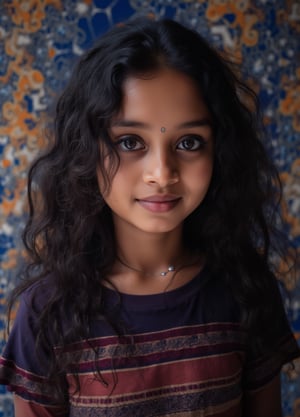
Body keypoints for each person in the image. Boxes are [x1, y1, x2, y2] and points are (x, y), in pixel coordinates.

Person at [0, 17, 299, 417]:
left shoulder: (245, 291)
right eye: (130, 142)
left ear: (220, 153)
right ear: (85, 151)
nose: (162, 172)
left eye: (189, 142)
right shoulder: (49, 314)